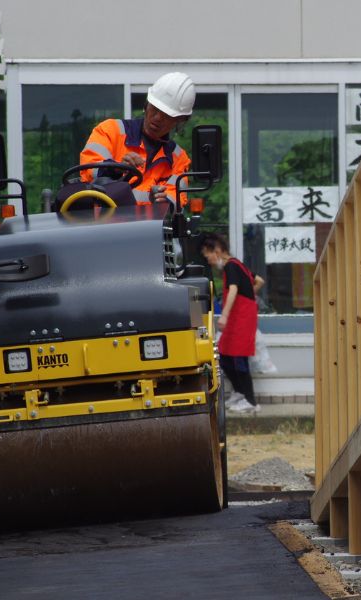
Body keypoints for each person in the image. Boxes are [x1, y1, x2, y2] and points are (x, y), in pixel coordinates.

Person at [79, 72, 195, 206]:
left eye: (166, 115)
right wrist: (116, 169)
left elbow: (176, 201)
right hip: (101, 223)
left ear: (179, 120)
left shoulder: (179, 159)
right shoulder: (110, 130)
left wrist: (163, 200)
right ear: (146, 105)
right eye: (155, 109)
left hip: (145, 227)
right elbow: (89, 171)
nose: (157, 118)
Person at [201, 232, 265, 414]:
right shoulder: (238, 264)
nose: (210, 262)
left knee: (239, 359)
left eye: (209, 256)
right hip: (241, 316)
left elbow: (234, 289)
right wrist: (249, 294)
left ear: (218, 251)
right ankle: (239, 392)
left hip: (241, 319)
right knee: (224, 355)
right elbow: (259, 281)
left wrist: (224, 315)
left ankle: (251, 402)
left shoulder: (230, 266)